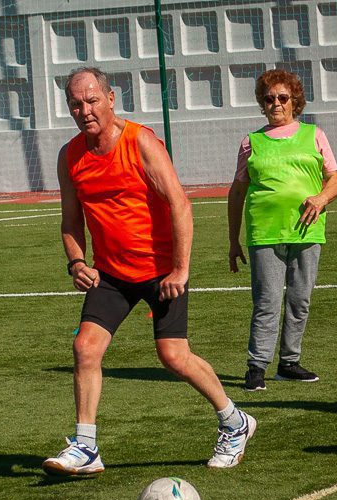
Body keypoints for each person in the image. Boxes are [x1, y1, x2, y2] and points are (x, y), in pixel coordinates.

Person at [43, 67, 256, 476]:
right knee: (85, 347)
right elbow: (71, 220)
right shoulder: (69, 156)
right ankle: (86, 447)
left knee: (173, 355)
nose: (84, 109)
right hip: (111, 273)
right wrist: (77, 262)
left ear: (110, 98)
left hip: (161, 269)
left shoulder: (140, 141)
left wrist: (180, 268)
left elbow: (180, 203)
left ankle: (235, 422)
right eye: (75, 103)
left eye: (91, 100)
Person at [228, 69, 337, 392]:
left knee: (299, 299)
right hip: (265, 233)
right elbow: (237, 193)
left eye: (282, 98)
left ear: (295, 102)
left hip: (307, 231)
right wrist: (232, 240)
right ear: (262, 104)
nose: (276, 104)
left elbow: (336, 179)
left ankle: (289, 362)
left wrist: (320, 199)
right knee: (266, 301)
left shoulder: (315, 135)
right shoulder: (251, 143)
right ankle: (256, 366)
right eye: (269, 99)